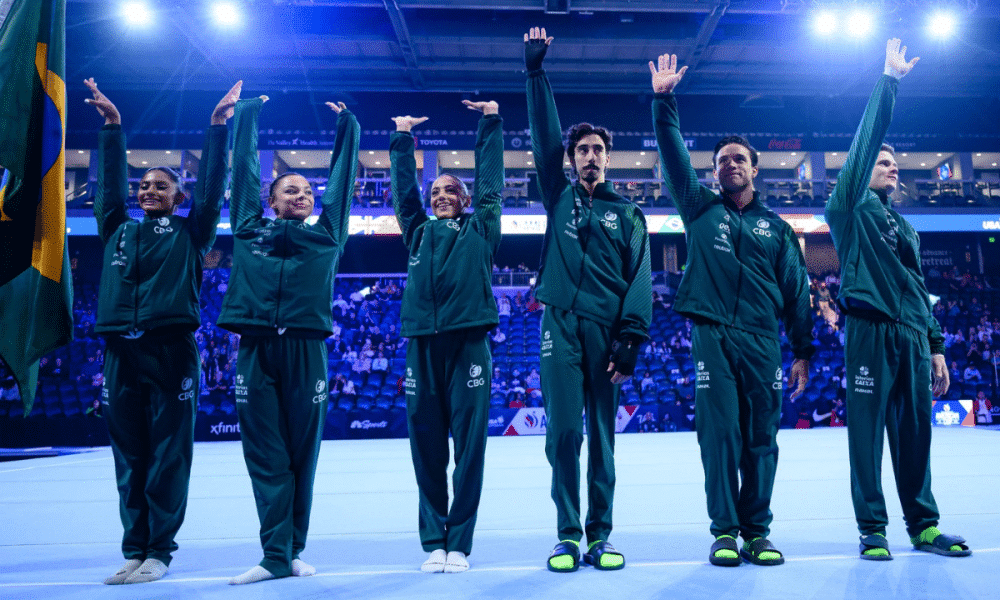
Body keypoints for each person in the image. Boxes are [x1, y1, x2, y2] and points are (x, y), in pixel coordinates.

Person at [650, 53, 814, 567]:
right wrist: (663, 102)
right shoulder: (699, 206)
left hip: (764, 339)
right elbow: (675, 156)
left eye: (738, 158)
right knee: (719, 435)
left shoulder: (779, 230)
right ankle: (724, 532)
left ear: (754, 168)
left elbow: (798, 292)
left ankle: (757, 532)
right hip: (713, 336)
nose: (730, 165)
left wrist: (803, 350)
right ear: (715, 172)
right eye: (722, 160)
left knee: (762, 437)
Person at [84, 79, 236, 584]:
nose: (149, 190)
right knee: (129, 455)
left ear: (179, 196)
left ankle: (160, 552)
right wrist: (112, 128)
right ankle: (134, 548)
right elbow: (107, 186)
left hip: (170, 351)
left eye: (160, 186)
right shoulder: (117, 228)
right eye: (144, 186)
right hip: (119, 354)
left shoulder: (194, 231)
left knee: (169, 454)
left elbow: (213, 191)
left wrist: (217, 129)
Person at [825, 39, 970, 561]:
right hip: (868, 330)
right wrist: (889, 82)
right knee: (866, 438)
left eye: (894, 164)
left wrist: (936, 345)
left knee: (915, 436)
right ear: (861, 168)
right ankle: (872, 529)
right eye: (882, 161)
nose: (890, 166)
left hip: (911, 336)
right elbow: (865, 143)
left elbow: (916, 290)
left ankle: (924, 526)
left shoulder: (905, 227)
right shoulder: (847, 208)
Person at [217, 95, 360, 584]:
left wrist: (348, 127)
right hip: (256, 350)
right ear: (271, 200)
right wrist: (248, 117)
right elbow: (241, 176)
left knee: (303, 455)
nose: (302, 196)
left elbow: (341, 186)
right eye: (291, 190)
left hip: (306, 351)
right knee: (266, 456)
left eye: (307, 191)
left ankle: (290, 549)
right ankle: (275, 554)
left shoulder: (327, 235)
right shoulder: (247, 229)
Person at [524, 27, 652, 573]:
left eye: (599, 150)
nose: (591, 156)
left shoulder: (627, 215)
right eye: (583, 150)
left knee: (602, 437)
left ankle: (600, 536)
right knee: (564, 433)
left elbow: (640, 278)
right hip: (560, 324)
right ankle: (567, 536)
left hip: (607, 334)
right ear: (572, 159)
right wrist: (535, 74)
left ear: (609, 158)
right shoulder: (557, 195)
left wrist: (631, 338)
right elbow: (542, 136)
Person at [390, 99, 503, 574]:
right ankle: (434, 541)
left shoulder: (482, 226)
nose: (440, 195)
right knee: (428, 450)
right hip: (422, 345)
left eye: (450, 189)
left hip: (469, 345)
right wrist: (402, 140)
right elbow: (403, 197)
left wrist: (490, 122)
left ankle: (460, 543)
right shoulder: (416, 232)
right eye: (435, 189)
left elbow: (493, 184)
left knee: (469, 450)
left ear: (464, 198)